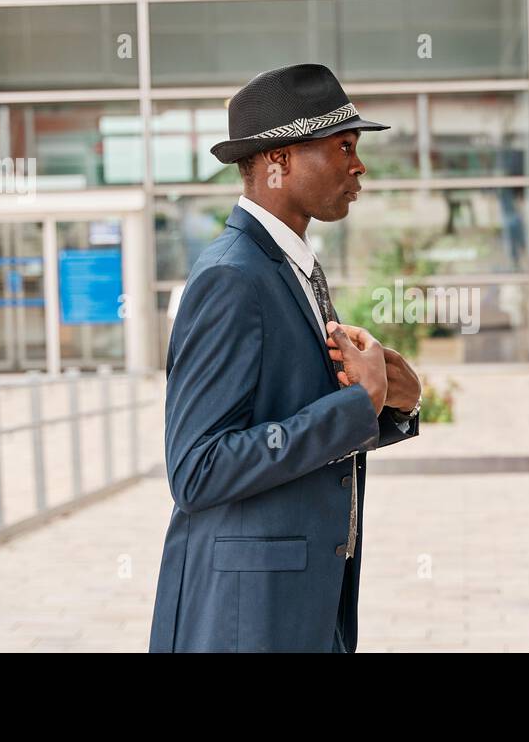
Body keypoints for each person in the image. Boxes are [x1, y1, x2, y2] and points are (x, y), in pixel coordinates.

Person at [149, 63, 422, 653]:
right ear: (279, 161)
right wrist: (357, 404)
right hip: (246, 619)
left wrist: (392, 403)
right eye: (342, 147)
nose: (359, 165)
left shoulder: (295, 266)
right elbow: (197, 469)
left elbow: (288, 417)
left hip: (307, 605)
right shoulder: (231, 277)